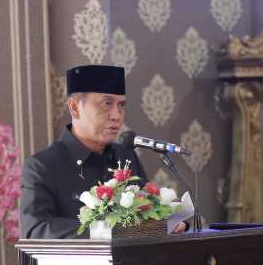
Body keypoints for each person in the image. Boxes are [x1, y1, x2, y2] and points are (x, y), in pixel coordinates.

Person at [20, 65, 186, 239]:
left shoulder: (125, 156)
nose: (116, 115)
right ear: (74, 108)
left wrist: (172, 221)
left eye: (121, 105)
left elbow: (149, 208)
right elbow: (36, 229)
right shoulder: (42, 166)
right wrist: (107, 231)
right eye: (107, 104)